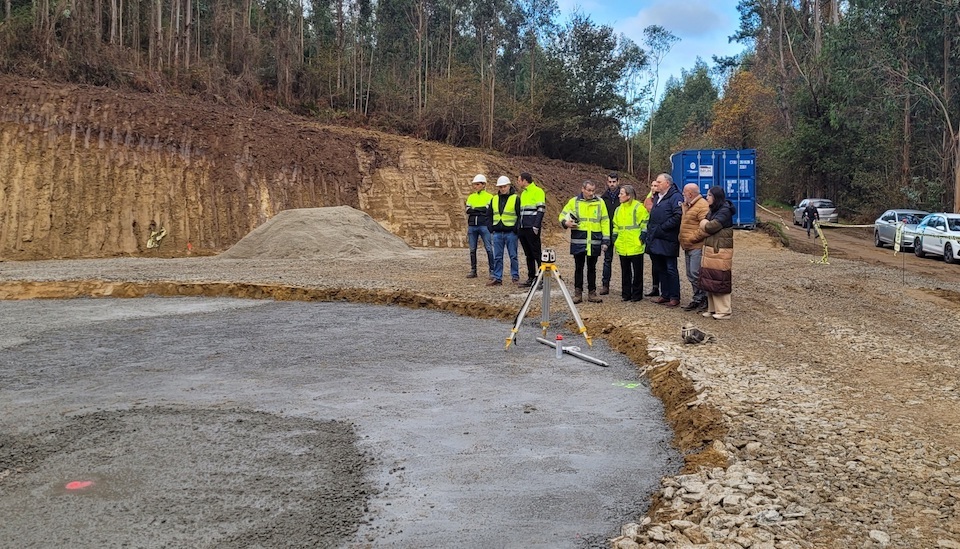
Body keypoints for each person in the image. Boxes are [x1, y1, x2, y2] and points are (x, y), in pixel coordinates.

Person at [559, 180, 610, 304]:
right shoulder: (574, 202)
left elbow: (605, 221)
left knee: (592, 268)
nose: (591, 193)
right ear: (583, 189)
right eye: (589, 190)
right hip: (579, 239)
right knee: (579, 267)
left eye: (593, 190)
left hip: (594, 240)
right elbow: (562, 215)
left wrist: (606, 239)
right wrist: (566, 223)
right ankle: (578, 293)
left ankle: (592, 293)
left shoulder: (600, 202)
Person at [643, 173, 683, 307]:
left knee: (671, 268)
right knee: (660, 268)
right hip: (656, 239)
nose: (657, 184)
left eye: (659, 182)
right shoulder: (657, 197)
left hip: (668, 239)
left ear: (667, 183)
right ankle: (664, 294)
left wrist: (662, 228)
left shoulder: (675, 196)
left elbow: (678, 216)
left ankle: (674, 296)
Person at [699, 186, 736, 320]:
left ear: (715, 197)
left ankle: (724, 311)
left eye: (709, 195)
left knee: (720, 279)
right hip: (711, 249)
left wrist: (703, 223)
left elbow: (710, 227)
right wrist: (705, 224)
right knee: (710, 278)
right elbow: (707, 226)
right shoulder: (713, 209)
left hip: (720, 250)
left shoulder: (724, 210)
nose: (706, 197)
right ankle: (713, 308)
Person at [612, 184, 649, 301]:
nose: (619, 195)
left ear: (628, 196)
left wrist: (642, 236)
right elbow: (616, 225)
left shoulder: (638, 207)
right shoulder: (618, 209)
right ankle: (626, 294)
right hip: (623, 245)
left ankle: (637, 295)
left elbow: (645, 222)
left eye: (621, 193)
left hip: (635, 244)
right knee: (625, 271)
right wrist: (615, 237)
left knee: (637, 272)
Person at [679, 183, 709, 311]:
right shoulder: (689, 205)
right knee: (690, 275)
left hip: (696, 245)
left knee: (696, 273)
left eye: (684, 192)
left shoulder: (702, 206)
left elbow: (706, 227)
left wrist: (692, 238)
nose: (683, 194)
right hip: (688, 246)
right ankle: (697, 298)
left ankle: (706, 299)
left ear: (690, 194)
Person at [486, 176, 521, 286]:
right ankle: (497, 277)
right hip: (497, 232)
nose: (502, 188)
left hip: (511, 232)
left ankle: (515, 277)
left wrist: (516, 228)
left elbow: (520, 215)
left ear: (509, 186)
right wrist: (490, 227)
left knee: (513, 256)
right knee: (498, 257)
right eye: (500, 187)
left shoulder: (515, 198)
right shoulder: (494, 198)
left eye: (504, 186)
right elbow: (489, 214)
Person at [517, 172, 546, 287]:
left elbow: (541, 210)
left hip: (531, 227)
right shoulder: (523, 193)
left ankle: (541, 278)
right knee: (528, 254)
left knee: (536, 253)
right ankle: (531, 277)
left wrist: (536, 226)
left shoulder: (538, 191)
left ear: (524, 180)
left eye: (519, 180)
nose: (518, 182)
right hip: (523, 227)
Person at [465, 174, 495, 279]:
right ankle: (473, 270)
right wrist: (480, 210)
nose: (475, 186)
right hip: (472, 226)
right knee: (472, 249)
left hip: (484, 226)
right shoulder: (471, 196)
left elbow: (488, 211)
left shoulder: (490, 197)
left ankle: (492, 271)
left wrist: (475, 210)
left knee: (489, 248)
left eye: (477, 184)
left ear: (483, 185)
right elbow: (468, 210)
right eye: (475, 184)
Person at [599, 172, 621, 295]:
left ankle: (627, 286)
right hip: (607, 232)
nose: (612, 184)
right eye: (610, 182)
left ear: (618, 182)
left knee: (625, 260)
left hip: (621, 233)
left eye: (614, 182)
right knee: (607, 260)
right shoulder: (603, 198)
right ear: (607, 182)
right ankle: (605, 285)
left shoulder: (623, 196)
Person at [643, 180, 661, 298]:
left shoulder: (661, 199)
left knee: (662, 263)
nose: (654, 187)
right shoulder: (649, 199)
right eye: (652, 185)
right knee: (654, 263)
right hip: (650, 233)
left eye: (656, 185)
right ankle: (655, 287)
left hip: (659, 233)